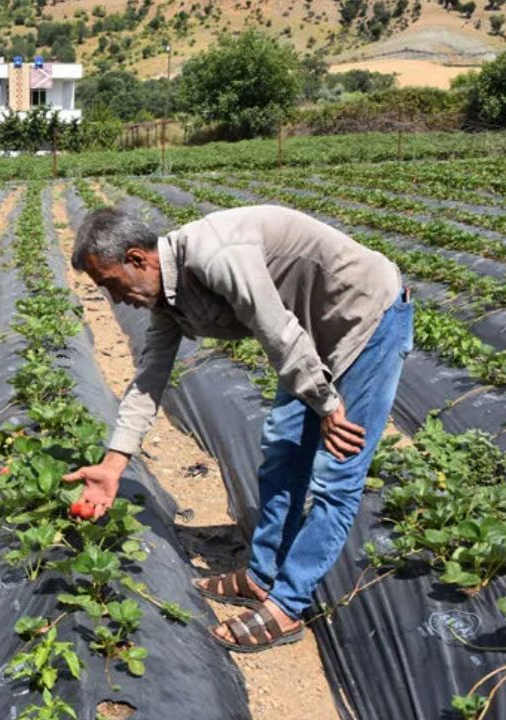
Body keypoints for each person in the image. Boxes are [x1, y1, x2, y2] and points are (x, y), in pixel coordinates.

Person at [63, 205, 413, 652]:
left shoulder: (215, 256)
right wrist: (114, 464)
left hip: (365, 317)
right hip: (308, 334)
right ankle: (263, 577)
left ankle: (287, 607)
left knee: (338, 474)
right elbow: (150, 376)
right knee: (283, 450)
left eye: (110, 283)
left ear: (137, 259)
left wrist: (327, 403)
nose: (114, 299)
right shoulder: (168, 297)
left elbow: (275, 329)